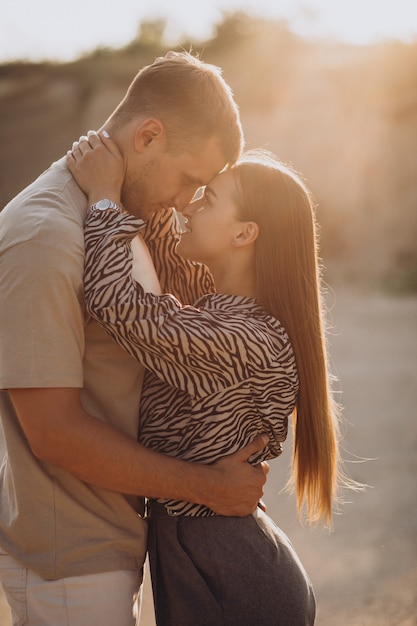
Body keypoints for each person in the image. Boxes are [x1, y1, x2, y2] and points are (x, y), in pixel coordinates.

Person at [0, 51, 269, 626]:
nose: (182, 201)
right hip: (70, 563)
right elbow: (53, 433)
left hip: (114, 539)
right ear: (148, 135)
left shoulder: (122, 212)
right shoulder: (46, 235)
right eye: (189, 180)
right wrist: (210, 488)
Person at [67, 134, 346, 625]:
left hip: (236, 578)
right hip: (205, 558)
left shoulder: (242, 338)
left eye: (208, 198)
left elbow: (118, 304)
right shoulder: (220, 307)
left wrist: (104, 196)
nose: (192, 206)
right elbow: (167, 253)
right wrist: (152, 186)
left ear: (244, 235)